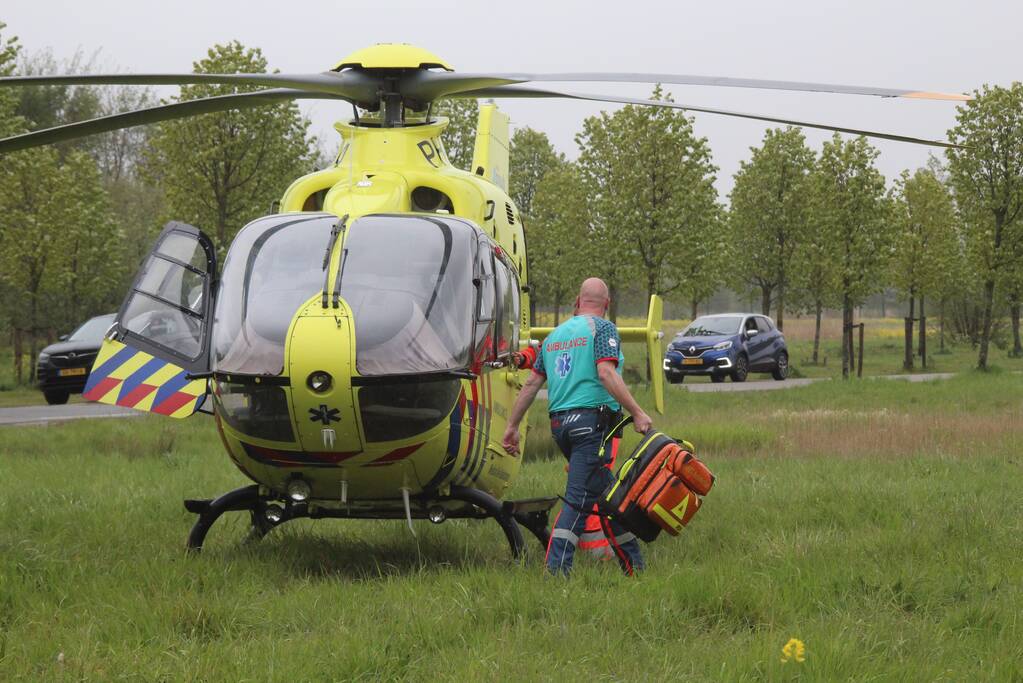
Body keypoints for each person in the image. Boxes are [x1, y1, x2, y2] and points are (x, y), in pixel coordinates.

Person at [502, 278, 653, 576]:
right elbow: (606, 373)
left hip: (561, 426)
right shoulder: (603, 328)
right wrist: (637, 412)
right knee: (578, 501)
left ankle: (635, 566)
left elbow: (532, 383)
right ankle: (556, 572)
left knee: (611, 499)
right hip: (592, 426)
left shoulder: (555, 336)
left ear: (576, 301)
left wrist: (512, 427)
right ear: (606, 305)